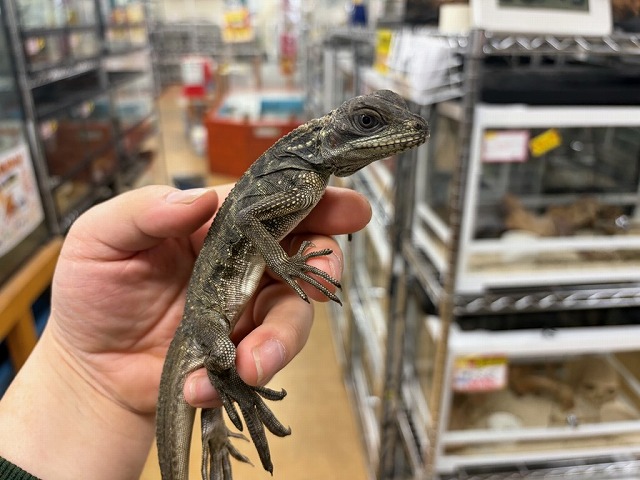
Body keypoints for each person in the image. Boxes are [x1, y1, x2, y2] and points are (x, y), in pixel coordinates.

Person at [0, 184, 372, 479]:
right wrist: (283, 264)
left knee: (223, 363)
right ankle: (221, 412)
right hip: (205, 318)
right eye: (368, 122)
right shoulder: (303, 182)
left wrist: (87, 380)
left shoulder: (308, 183)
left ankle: (213, 426)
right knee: (226, 359)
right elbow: (247, 217)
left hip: (204, 316)